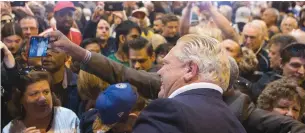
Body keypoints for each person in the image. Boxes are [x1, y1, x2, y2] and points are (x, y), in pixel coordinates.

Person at [46, 30, 305, 133]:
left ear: (191, 69)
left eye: (165, 65)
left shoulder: (169, 109)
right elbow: (125, 74)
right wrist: (78, 52)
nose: (159, 72)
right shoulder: (231, 121)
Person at [2, 71, 80, 133]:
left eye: (46, 92)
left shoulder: (68, 117)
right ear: (21, 99)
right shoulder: (10, 129)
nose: (42, 98)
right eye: (34, 94)